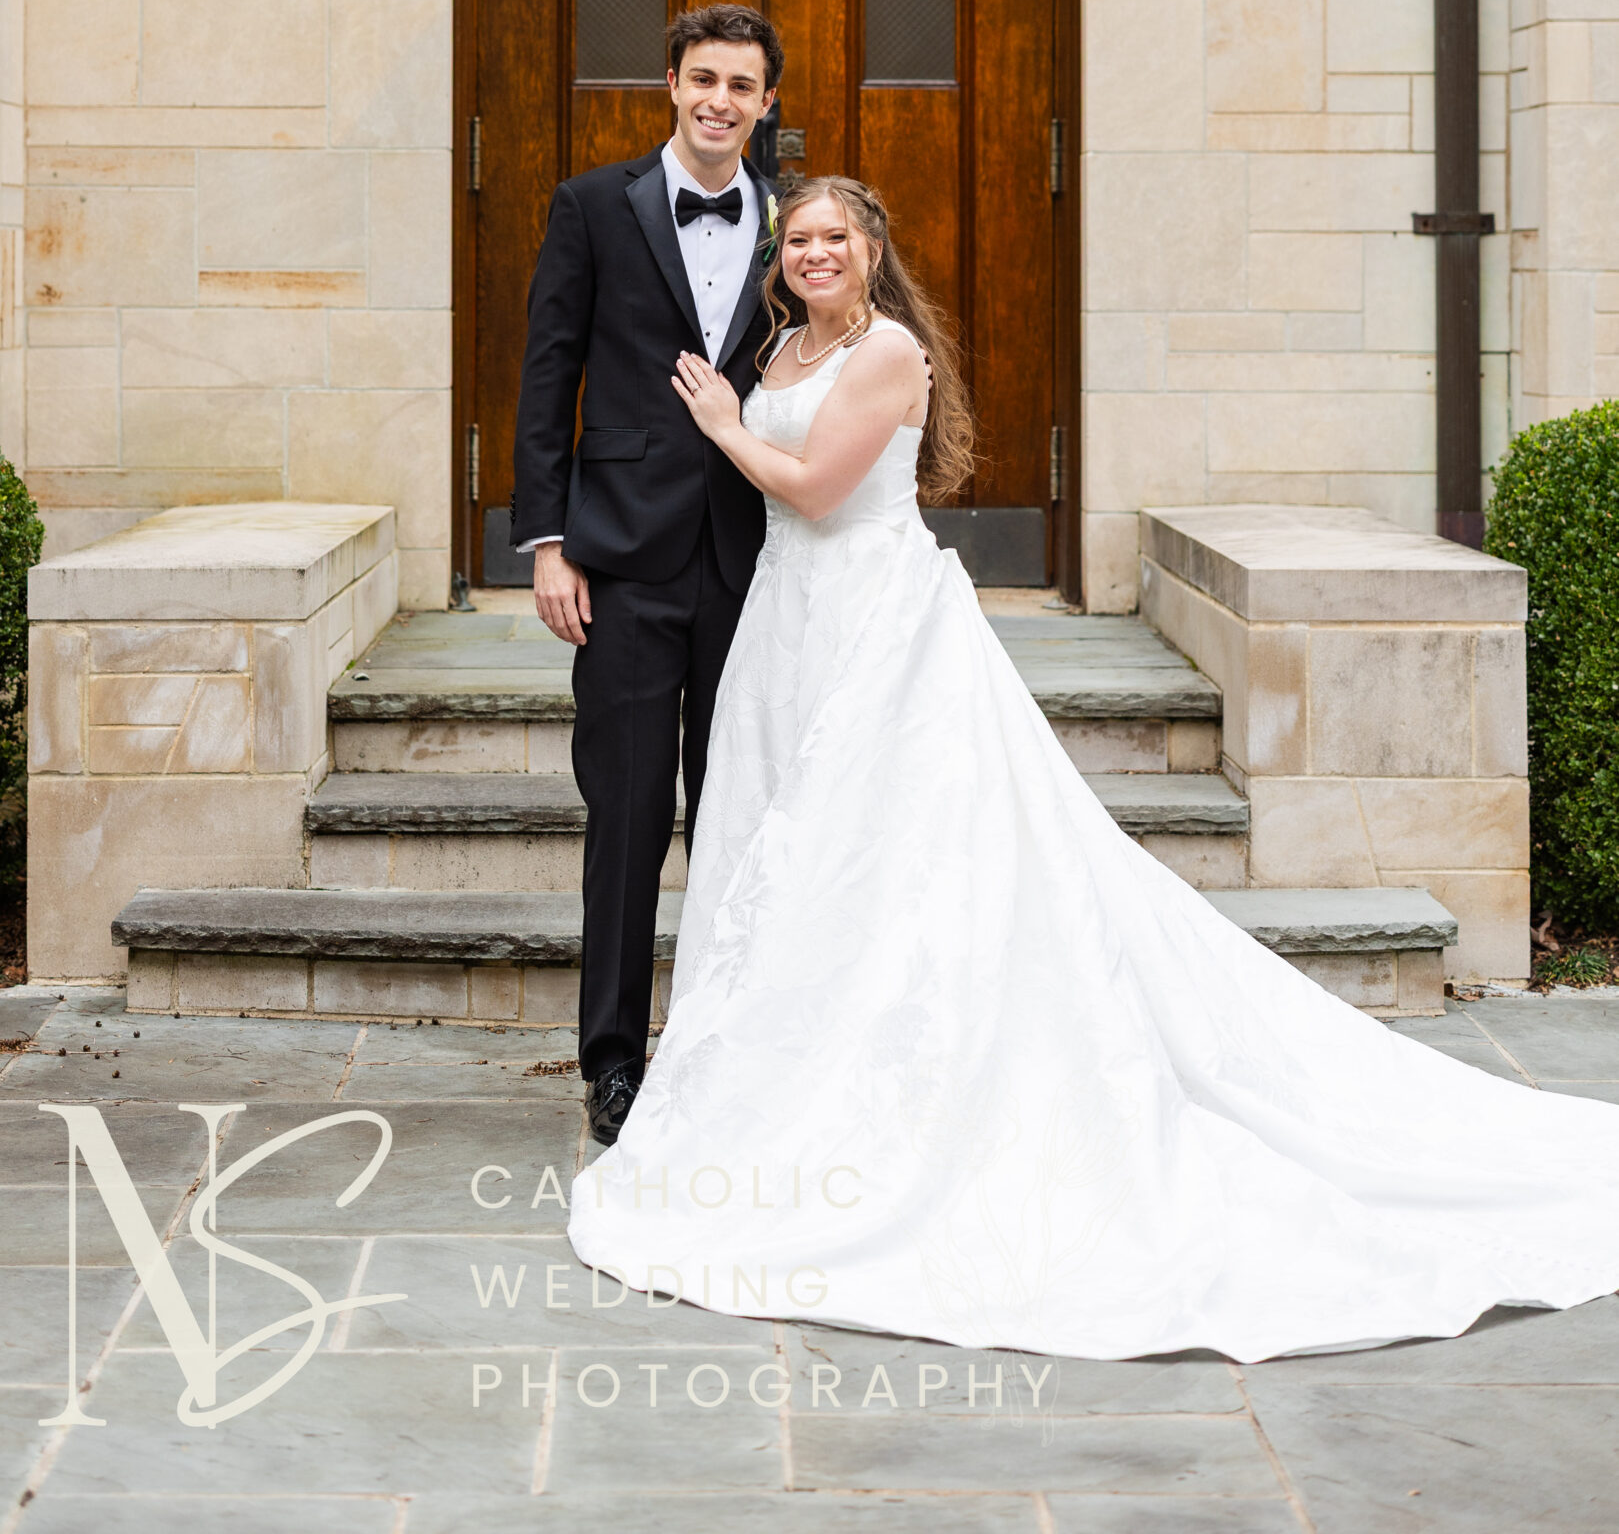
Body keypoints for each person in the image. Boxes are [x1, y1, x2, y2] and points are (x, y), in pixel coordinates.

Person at [567, 174, 1619, 1363]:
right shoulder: (786, 342)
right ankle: (769, 1078)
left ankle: (900, 1089)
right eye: (797, 236)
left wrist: (720, 424)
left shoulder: (889, 351)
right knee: (787, 844)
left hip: (872, 622)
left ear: (874, 247)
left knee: (894, 850)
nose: (814, 252)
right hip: (785, 625)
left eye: (836, 237)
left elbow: (813, 489)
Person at [511, 2, 783, 1148]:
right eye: (704, 77)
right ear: (670, 81)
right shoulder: (590, 207)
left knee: (737, 816)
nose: (721, 100)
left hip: (754, 563)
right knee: (625, 817)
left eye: (744, 85)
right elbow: (546, 372)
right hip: (618, 559)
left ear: (768, 104)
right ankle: (613, 1062)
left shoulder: (795, 226)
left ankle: (723, 1051)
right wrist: (548, 541)